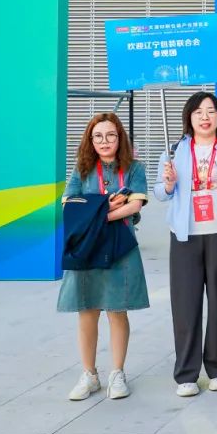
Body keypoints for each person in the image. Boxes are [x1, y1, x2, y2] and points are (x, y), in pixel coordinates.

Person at [154, 91, 217, 397]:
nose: (205, 117)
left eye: (210, 111)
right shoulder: (173, 151)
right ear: (189, 117)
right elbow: (160, 193)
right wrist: (168, 183)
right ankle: (186, 374)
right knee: (186, 305)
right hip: (185, 237)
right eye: (198, 112)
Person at [58, 113, 150, 401]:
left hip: (121, 246)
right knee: (87, 310)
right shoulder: (82, 168)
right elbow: (69, 204)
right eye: (97, 136)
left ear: (120, 137)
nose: (104, 141)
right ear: (90, 140)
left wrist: (98, 213)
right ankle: (89, 374)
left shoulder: (134, 168)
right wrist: (106, 207)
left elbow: (135, 204)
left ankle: (117, 373)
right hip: (87, 247)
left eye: (111, 135)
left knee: (117, 309)